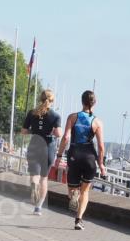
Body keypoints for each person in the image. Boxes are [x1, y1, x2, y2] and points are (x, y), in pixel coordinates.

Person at [55, 90, 105, 230]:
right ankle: (78, 220)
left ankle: (73, 195)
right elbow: (101, 146)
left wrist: (59, 157)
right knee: (85, 191)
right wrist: (101, 164)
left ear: (82, 101)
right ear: (94, 103)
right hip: (89, 157)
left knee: (72, 189)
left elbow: (65, 138)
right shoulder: (97, 122)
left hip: (74, 155)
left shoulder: (72, 117)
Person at [21, 89, 62, 215]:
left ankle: (34, 184)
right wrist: (52, 131)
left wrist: (33, 131)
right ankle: (38, 207)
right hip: (48, 147)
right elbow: (59, 133)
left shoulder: (32, 113)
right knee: (44, 178)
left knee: (35, 174)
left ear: (40, 99)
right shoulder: (55, 116)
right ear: (52, 101)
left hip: (34, 144)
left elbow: (23, 131)